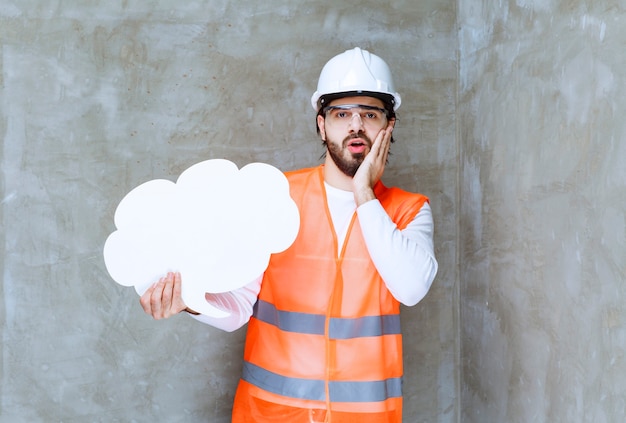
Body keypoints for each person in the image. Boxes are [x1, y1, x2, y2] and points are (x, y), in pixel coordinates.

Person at [140, 47, 438, 423]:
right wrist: (188, 300)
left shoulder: (409, 210)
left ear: (388, 126)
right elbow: (238, 308)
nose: (356, 125)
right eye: (341, 113)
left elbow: (410, 288)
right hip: (270, 414)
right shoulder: (277, 197)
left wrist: (364, 193)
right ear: (321, 124)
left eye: (370, 113)